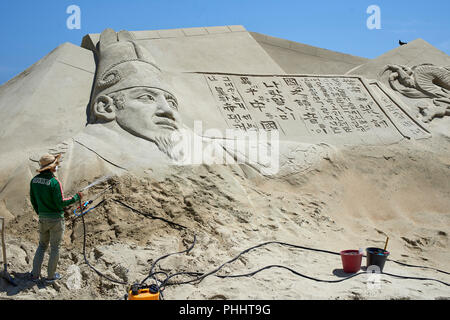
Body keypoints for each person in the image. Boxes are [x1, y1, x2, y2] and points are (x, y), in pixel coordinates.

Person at [29, 153, 83, 282]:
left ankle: (35, 275)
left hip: (42, 218)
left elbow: (33, 200)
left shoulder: (34, 181)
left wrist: (40, 212)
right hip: (56, 220)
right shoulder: (54, 182)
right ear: (52, 167)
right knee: (54, 248)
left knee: (42, 246)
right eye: (56, 165)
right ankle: (50, 276)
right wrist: (76, 198)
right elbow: (61, 202)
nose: (57, 167)